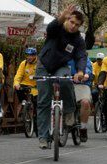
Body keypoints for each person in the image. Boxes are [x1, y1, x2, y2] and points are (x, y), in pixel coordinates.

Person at [36, 5, 87, 149]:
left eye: (77, 25)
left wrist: (80, 72)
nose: (73, 26)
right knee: (43, 101)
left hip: (60, 66)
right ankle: (43, 138)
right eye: (71, 22)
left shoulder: (78, 39)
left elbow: (81, 56)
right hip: (44, 65)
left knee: (65, 81)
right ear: (67, 19)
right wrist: (61, 17)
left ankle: (69, 111)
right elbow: (50, 29)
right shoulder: (57, 29)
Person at [68, 56, 92, 142]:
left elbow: (88, 67)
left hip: (82, 84)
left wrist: (86, 74)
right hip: (66, 83)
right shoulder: (62, 54)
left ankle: (83, 128)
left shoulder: (83, 56)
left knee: (85, 102)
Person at [13, 47, 38, 118]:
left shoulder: (39, 64)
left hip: (36, 87)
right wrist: (16, 83)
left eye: (31, 55)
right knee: (18, 88)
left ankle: (35, 118)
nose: (29, 57)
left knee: (37, 104)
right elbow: (18, 75)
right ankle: (23, 103)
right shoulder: (23, 63)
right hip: (25, 85)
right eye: (27, 55)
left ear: (35, 55)